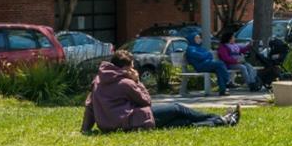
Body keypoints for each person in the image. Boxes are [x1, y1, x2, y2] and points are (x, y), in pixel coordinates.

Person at [82, 51, 239, 133]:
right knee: (177, 108)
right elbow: (146, 101)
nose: (133, 70)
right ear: (125, 68)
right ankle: (219, 118)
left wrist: (86, 129)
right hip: (134, 121)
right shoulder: (125, 83)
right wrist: (137, 81)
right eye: (132, 67)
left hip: (112, 126)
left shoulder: (98, 81)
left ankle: (222, 121)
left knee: (182, 123)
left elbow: (89, 107)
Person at [184, 29, 232, 95]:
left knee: (219, 69)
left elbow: (210, 55)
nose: (199, 39)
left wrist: (205, 55)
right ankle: (228, 81)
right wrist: (205, 55)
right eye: (197, 38)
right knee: (220, 64)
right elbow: (200, 56)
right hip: (200, 66)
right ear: (192, 39)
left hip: (206, 64)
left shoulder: (200, 48)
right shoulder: (190, 48)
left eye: (199, 38)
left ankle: (222, 90)